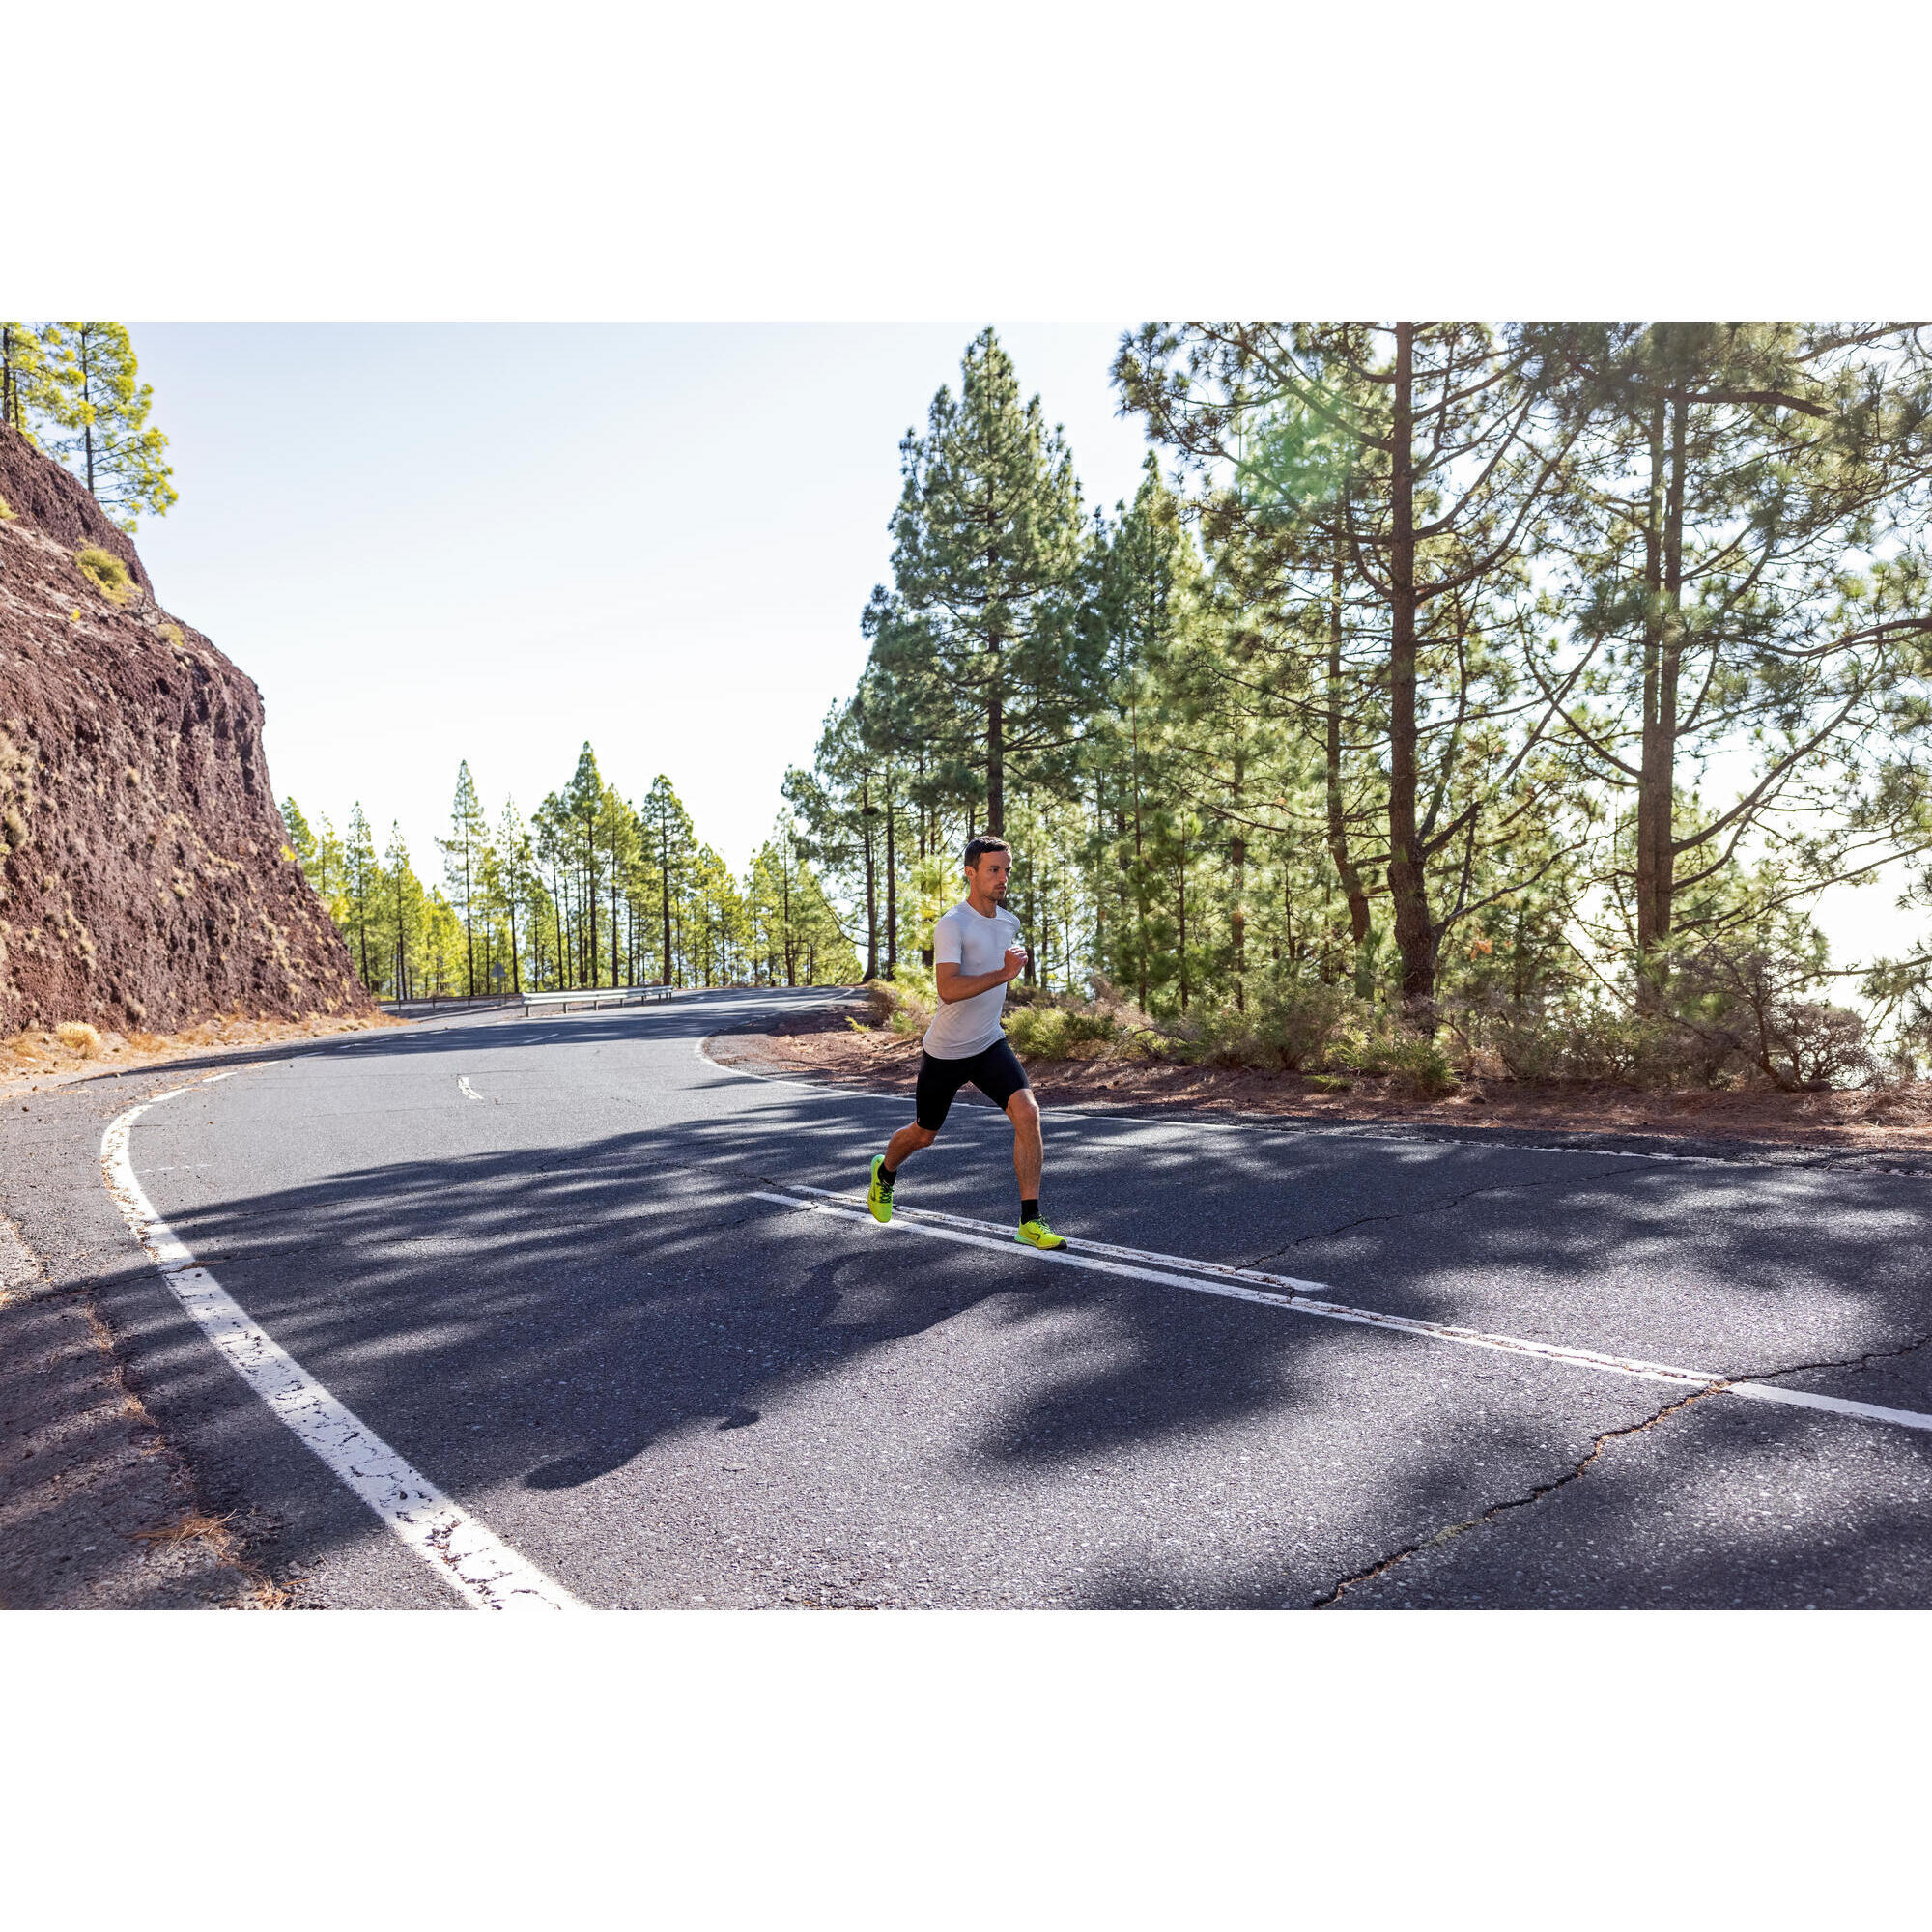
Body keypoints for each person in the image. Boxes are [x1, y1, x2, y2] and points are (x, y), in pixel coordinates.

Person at [867, 836, 1065, 1249]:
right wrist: (1004, 974)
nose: (1003, 877)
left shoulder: (1009, 923)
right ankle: (884, 1173)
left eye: (1007, 869)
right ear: (970, 873)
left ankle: (1031, 1221)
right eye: (994, 869)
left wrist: (1005, 973)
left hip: (989, 1042)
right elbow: (948, 989)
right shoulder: (952, 923)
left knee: (1028, 1113)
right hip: (947, 1050)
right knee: (924, 1134)